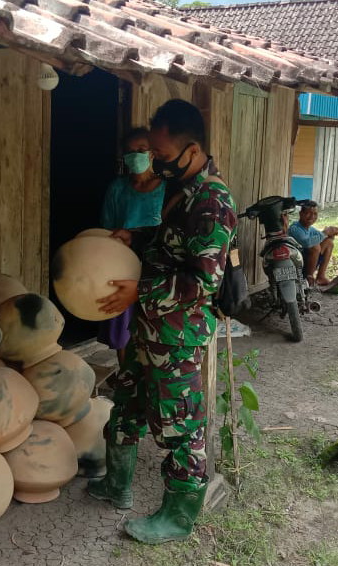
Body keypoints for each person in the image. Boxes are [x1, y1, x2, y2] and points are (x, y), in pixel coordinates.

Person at [88, 99, 237, 545]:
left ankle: (178, 516)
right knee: (126, 405)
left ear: (191, 150)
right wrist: (139, 235)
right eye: (152, 154)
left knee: (181, 427)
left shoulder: (212, 201)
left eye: (163, 155)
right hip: (148, 330)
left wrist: (141, 292)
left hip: (178, 336)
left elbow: (202, 282)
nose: (156, 163)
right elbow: (175, 243)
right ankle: (118, 485)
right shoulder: (183, 191)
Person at [97, 128, 166, 362]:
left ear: (153, 154)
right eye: (130, 151)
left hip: (157, 268)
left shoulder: (168, 189)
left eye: (141, 150)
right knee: (124, 328)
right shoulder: (117, 188)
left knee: (155, 325)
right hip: (123, 265)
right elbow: (108, 229)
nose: (135, 155)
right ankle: (125, 373)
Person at [287, 201, 338, 286]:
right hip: (296, 264)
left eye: (315, 214)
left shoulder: (310, 229)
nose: (312, 216)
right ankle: (308, 278)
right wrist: (325, 233)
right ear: (301, 214)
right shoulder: (295, 228)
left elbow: (321, 238)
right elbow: (307, 243)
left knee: (329, 242)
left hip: (308, 261)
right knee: (315, 247)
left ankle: (321, 277)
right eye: (308, 213)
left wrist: (331, 233)